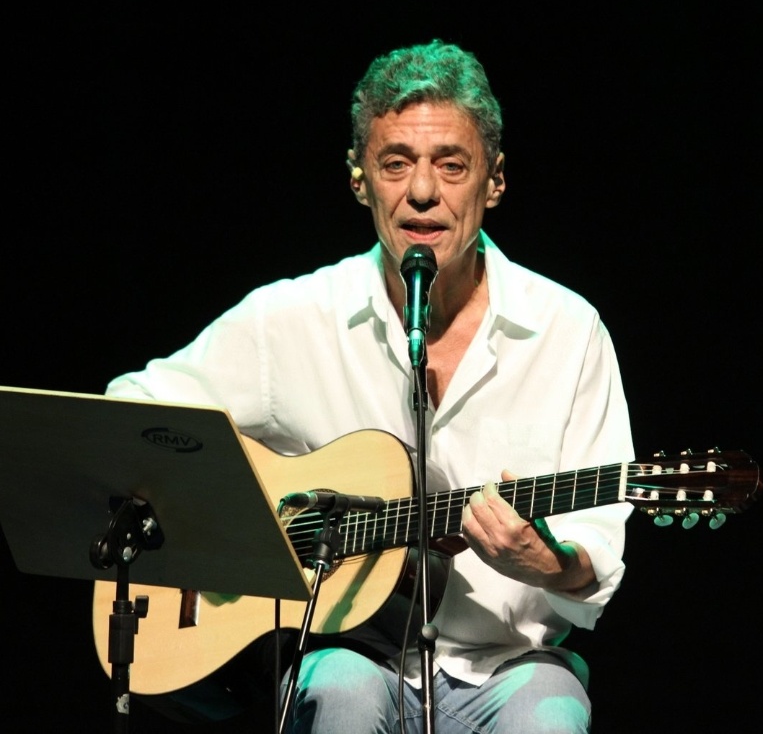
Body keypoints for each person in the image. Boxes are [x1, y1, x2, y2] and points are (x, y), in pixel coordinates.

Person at [105, 38, 634, 733]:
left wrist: (547, 563)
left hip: (510, 665)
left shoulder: (568, 330)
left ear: (494, 181)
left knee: (549, 716)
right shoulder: (292, 318)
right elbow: (133, 415)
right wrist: (241, 528)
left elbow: (596, 543)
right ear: (359, 180)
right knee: (343, 690)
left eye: (451, 165)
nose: (423, 191)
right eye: (396, 163)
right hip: (350, 652)